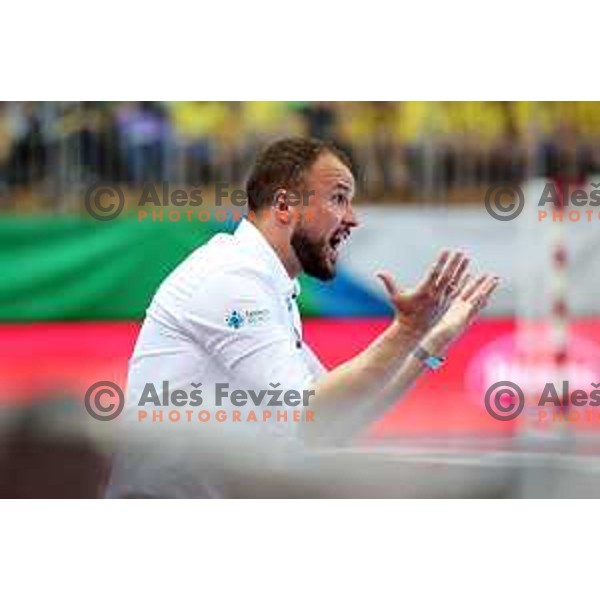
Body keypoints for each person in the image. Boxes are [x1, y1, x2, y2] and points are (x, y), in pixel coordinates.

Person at [106, 137, 499, 498]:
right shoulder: (230, 280)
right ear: (283, 206)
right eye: (339, 198)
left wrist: (430, 341)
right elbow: (311, 416)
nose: (353, 219)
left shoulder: (270, 285)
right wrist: (407, 329)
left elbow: (337, 422)